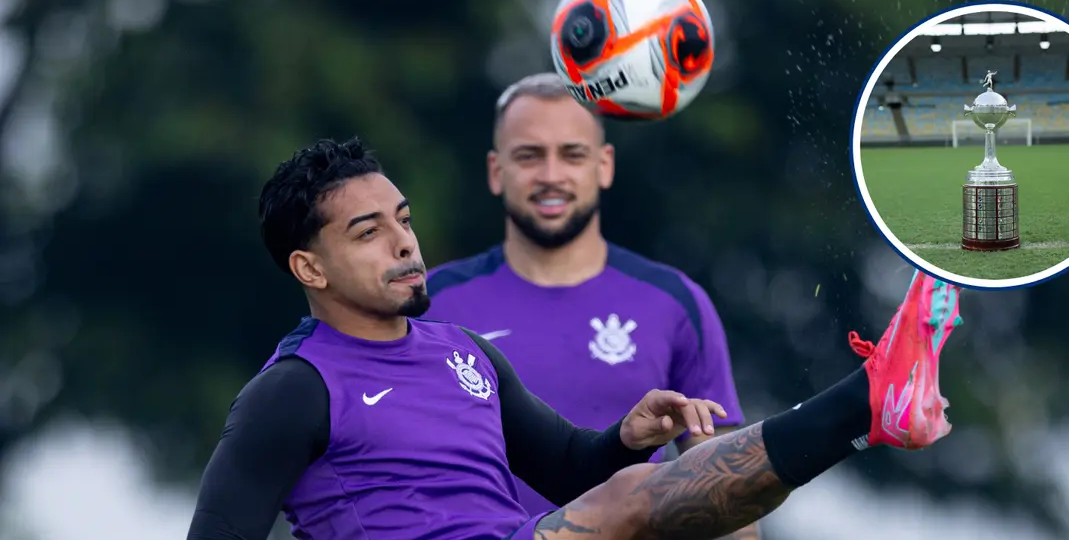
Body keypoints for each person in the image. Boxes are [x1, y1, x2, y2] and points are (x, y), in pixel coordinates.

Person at [185, 138, 963, 540]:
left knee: (645, 498)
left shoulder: (463, 353)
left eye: (405, 219)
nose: (403, 244)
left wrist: (624, 438)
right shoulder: (293, 390)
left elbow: (567, 473)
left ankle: (869, 418)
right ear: (308, 267)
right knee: (632, 506)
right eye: (368, 233)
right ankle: (868, 399)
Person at [422, 73, 754, 537]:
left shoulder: (675, 303)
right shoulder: (433, 303)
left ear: (604, 165)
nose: (551, 175)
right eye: (529, 155)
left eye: (571, 154)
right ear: (497, 171)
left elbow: (724, 488)